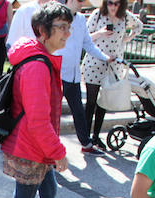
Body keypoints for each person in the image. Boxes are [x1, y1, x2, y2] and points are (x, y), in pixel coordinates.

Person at [0, 2, 81, 198]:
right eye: (61, 28)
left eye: (69, 27)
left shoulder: (39, 59)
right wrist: (59, 153)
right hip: (30, 147)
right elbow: (37, 121)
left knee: (49, 190)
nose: (67, 33)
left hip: (36, 147)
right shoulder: (37, 66)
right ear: (43, 31)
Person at [82, 0, 143, 150]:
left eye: (116, 3)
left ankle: (96, 137)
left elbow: (139, 26)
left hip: (113, 65)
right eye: (110, 3)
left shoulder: (125, 17)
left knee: (104, 102)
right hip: (94, 62)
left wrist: (128, 38)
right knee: (91, 102)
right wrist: (101, 32)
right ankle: (86, 138)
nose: (113, 6)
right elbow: (85, 37)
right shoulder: (97, 15)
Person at [57, 0, 113, 156]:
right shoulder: (56, 17)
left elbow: (87, 43)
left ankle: (86, 143)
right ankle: (51, 150)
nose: (83, 3)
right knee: (53, 113)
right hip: (56, 74)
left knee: (79, 111)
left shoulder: (81, 19)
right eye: (80, 0)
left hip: (73, 75)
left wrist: (104, 57)